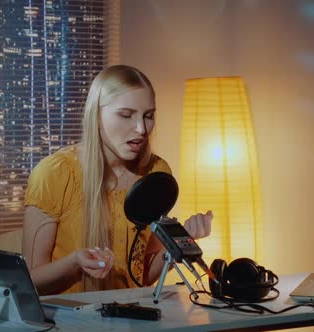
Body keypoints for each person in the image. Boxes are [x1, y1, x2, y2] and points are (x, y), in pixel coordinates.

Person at [22, 65, 213, 295]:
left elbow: (141, 277)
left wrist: (179, 245)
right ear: (97, 115)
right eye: (126, 115)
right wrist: (74, 262)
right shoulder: (55, 174)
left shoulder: (156, 174)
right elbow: (29, 280)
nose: (141, 129)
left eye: (148, 116)